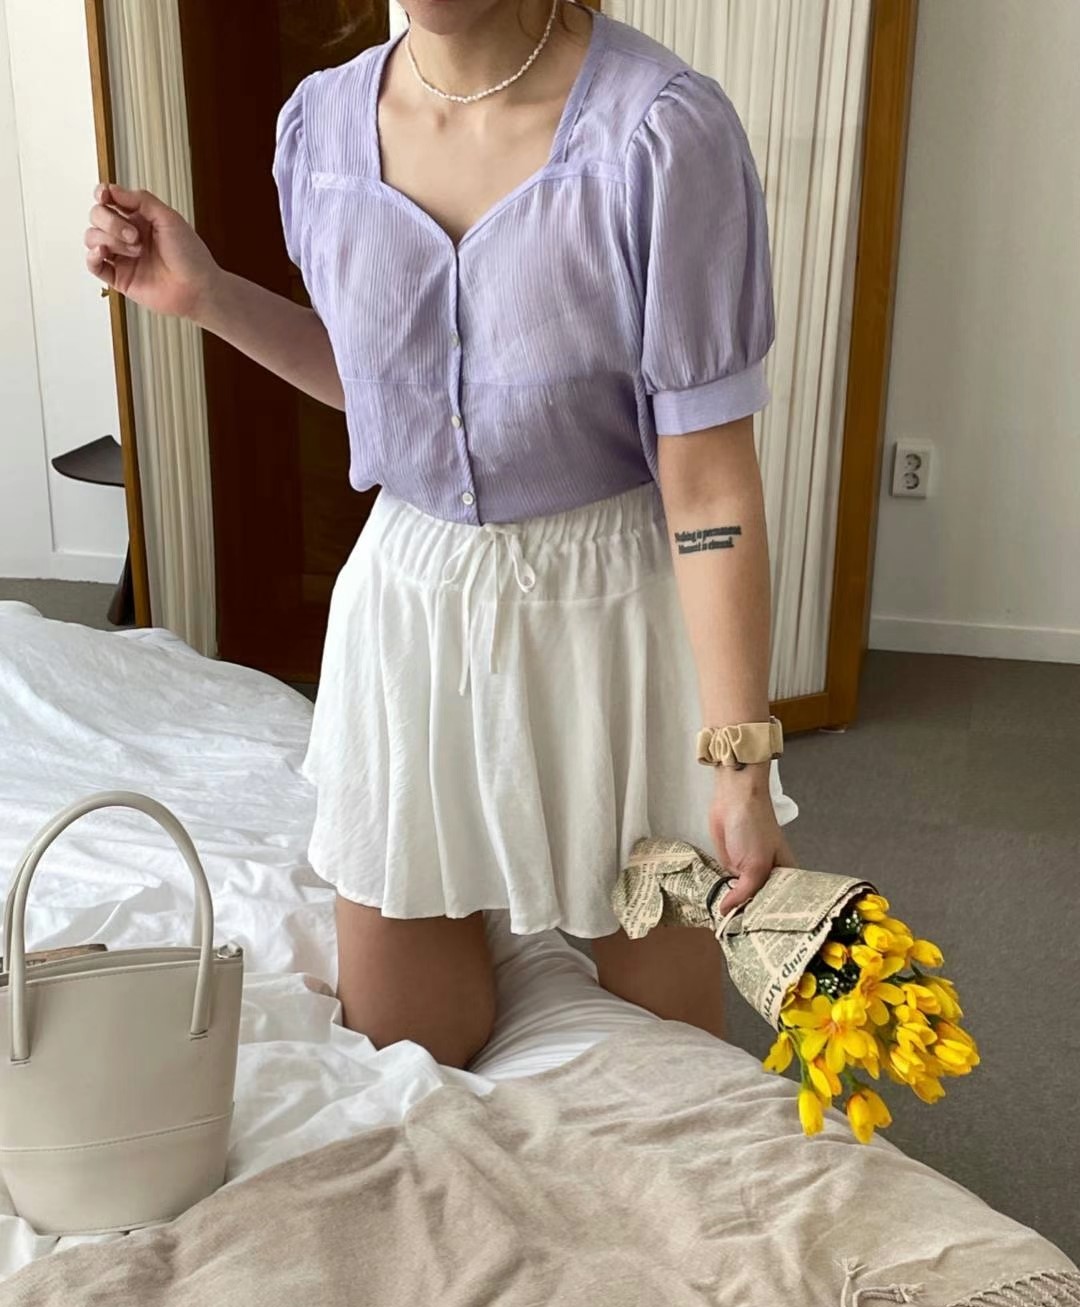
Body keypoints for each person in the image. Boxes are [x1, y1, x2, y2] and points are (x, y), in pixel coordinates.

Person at [84, 0, 797, 1069]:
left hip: (609, 618)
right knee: (413, 1045)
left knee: (671, 1063)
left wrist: (739, 757)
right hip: (413, 612)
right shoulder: (321, 129)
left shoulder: (661, 132)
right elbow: (389, 395)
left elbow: (708, 487)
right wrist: (209, 297)